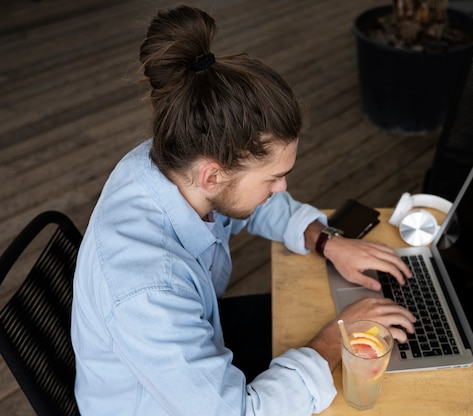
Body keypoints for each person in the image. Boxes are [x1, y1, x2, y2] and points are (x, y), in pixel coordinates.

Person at [70, 5, 416, 416]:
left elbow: (242, 205)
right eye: (273, 178)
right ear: (213, 175)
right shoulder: (150, 293)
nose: (282, 186)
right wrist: (334, 339)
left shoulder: (170, 161)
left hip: (198, 349)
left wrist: (323, 239)